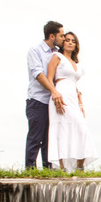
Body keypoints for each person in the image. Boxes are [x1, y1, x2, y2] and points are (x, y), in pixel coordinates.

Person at [45, 30, 98, 171]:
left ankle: (80, 167)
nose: (70, 43)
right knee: (62, 129)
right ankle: (62, 167)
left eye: (73, 41)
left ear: (76, 45)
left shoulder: (76, 63)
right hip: (60, 95)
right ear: (63, 43)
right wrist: (54, 93)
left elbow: (74, 84)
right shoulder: (57, 57)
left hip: (73, 97)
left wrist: (80, 102)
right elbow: (49, 78)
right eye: (67, 40)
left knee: (81, 127)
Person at [25, 21, 65, 169]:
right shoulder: (35, 51)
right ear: (52, 36)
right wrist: (53, 91)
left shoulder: (57, 53)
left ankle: (47, 170)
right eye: (61, 35)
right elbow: (38, 74)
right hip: (37, 100)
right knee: (35, 137)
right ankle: (30, 169)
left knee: (49, 138)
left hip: (52, 103)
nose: (63, 38)